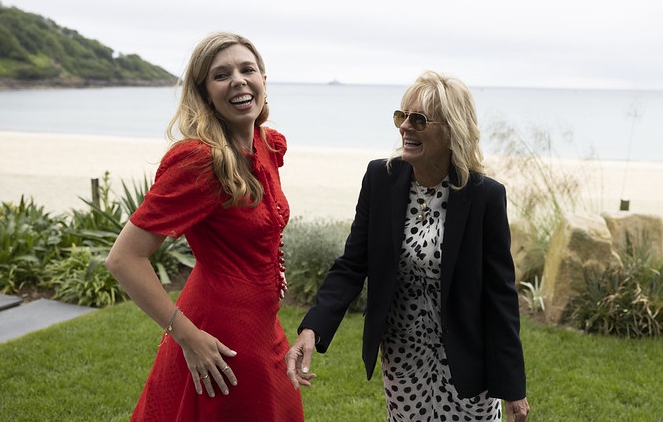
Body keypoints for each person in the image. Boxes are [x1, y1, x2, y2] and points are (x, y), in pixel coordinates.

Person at [286, 70, 530, 421]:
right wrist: (313, 328)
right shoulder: (380, 180)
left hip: (466, 362)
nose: (405, 127)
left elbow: (500, 295)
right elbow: (353, 264)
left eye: (419, 119)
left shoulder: (484, 196)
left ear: (451, 130)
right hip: (402, 358)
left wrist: (512, 388)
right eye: (402, 116)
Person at [105, 31, 305, 421]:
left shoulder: (266, 145)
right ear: (204, 92)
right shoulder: (201, 160)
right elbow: (124, 258)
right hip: (216, 334)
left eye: (248, 69)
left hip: (263, 326)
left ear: (263, 78)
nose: (238, 80)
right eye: (221, 74)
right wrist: (187, 336)